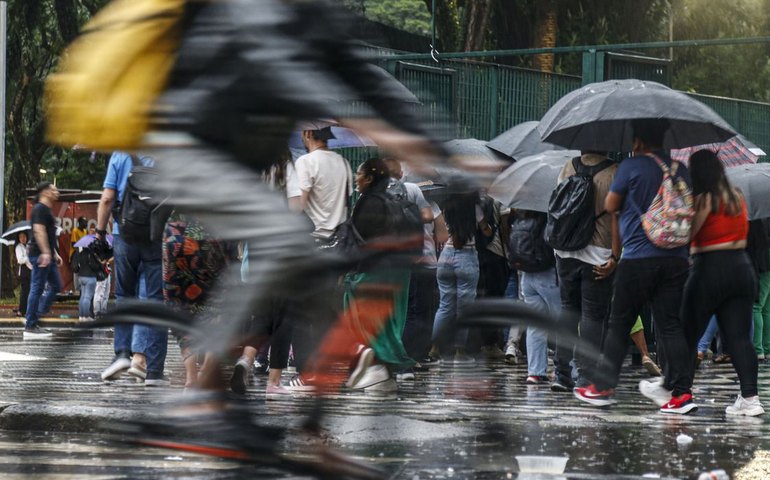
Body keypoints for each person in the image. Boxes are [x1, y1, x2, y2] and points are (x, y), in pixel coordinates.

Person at [573, 119, 694, 414]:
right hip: (676, 258)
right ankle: (681, 393)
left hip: (639, 257)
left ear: (638, 141)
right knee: (670, 325)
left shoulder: (631, 167)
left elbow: (612, 204)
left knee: (619, 323)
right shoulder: (681, 169)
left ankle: (602, 387)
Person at [680, 150, 763, 416]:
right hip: (742, 267)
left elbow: (689, 234)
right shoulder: (736, 195)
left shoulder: (704, 199)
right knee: (739, 338)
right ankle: (750, 398)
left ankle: (679, 392)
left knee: (688, 333)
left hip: (710, 267)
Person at [96, 151, 168, 386]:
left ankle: (122, 354)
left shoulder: (120, 155)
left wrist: (99, 232)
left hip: (124, 233)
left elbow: (107, 198)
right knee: (154, 299)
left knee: (125, 295)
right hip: (155, 236)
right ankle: (152, 369)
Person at [551, 151, 619, 391]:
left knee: (568, 311)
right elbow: (616, 217)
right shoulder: (613, 172)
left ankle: (561, 374)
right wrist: (615, 255)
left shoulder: (568, 166)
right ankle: (585, 375)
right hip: (598, 253)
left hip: (565, 252)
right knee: (593, 316)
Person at [429, 191, 491, 363]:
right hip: (467, 256)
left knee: (445, 305)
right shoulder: (475, 208)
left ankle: (434, 347)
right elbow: (486, 231)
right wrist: (487, 227)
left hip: (446, 255)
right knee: (464, 309)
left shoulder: (447, 206)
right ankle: (459, 351)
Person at [295, 127, 352, 243]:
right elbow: (346, 200)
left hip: (313, 240)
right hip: (339, 241)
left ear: (308, 133)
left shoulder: (305, 161)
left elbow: (298, 206)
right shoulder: (344, 162)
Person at [24, 182, 62, 339]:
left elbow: (48, 234)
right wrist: (46, 253)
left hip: (47, 255)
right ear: (45, 192)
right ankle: (30, 325)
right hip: (40, 255)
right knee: (37, 288)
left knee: (56, 286)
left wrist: (54, 253)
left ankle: (35, 314)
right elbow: (39, 231)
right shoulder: (39, 208)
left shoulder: (46, 210)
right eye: (53, 189)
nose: (56, 191)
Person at [15, 232, 32, 318]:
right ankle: (21, 310)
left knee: (30, 291)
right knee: (24, 292)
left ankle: (28, 310)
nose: (22, 238)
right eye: (20, 237)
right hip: (24, 271)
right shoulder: (18, 247)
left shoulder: (29, 245)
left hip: (31, 270)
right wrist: (27, 257)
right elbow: (20, 260)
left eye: (24, 236)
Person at [70, 216, 88, 294]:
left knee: (83, 271)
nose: (86, 223)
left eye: (86, 222)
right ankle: (77, 289)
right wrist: (80, 249)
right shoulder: (75, 230)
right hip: (75, 253)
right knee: (76, 270)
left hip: (83, 253)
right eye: (84, 222)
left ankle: (82, 289)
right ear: (80, 223)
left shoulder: (85, 231)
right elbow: (73, 243)